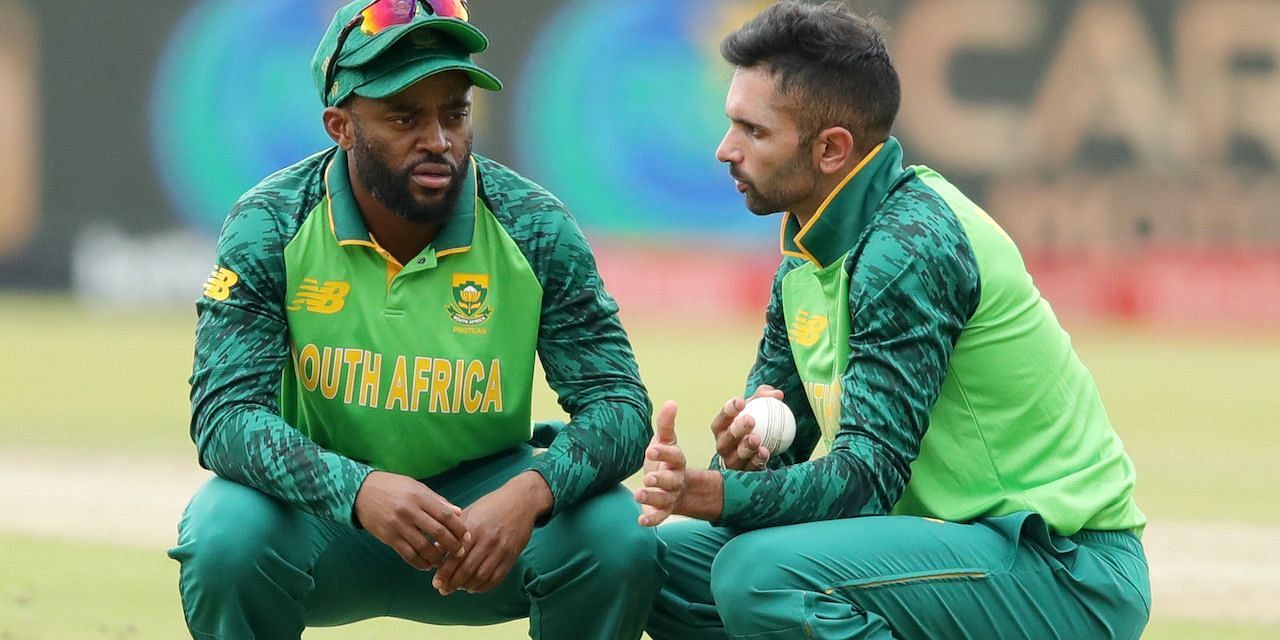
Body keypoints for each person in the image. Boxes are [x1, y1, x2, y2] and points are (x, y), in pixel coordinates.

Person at [636, 3, 1151, 639]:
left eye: (753, 131)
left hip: (1066, 570)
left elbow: (864, 481)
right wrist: (743, 462)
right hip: (951, 556)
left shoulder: (909, 245)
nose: (724, 150)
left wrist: (710, 495)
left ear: (831, 149)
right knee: (653, 564)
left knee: (758, 575)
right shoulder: (805, 253)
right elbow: (785, 462)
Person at [168, 1, 663, 638]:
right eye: (404, 117)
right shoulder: (272, 222)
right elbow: (224, 416)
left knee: (614, 537)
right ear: (340, 126)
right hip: (324, 520)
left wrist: (531, 491)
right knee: (225, 536)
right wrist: (357, 490)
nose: (438, 141)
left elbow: (619, 405)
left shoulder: (534, 225)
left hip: (485, 517)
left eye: (454, 112)